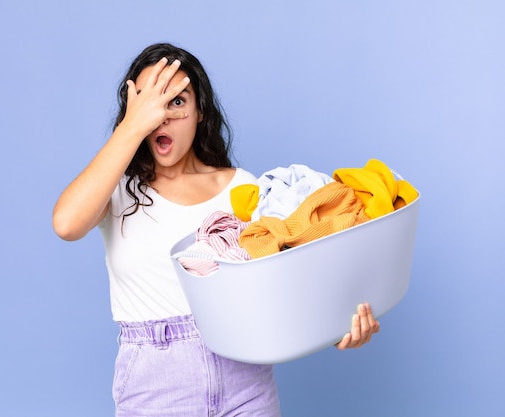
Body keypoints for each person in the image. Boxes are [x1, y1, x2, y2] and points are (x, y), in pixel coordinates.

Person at [53, 42, 380, 416]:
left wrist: (337, 325)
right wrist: (132, 126)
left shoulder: (243, 187)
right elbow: (66, 224)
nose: (161, 115)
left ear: (200, 112)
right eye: (149, 101)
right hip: (155, 387)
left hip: (245, 384)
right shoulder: (117, 190)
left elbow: (281, 283)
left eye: (176, 100)